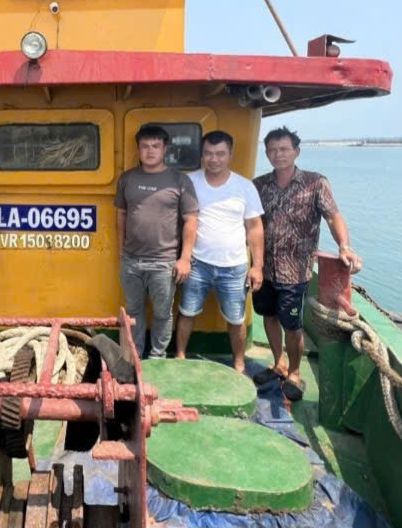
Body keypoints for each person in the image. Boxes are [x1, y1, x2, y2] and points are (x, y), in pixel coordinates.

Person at [252, 126, 362, 401]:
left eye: (284, 149)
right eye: (272, 150)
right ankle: (278, 363)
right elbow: (252, 224)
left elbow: (333, 216)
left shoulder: (316, 183)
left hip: (295, 271)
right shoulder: (259, 185)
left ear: (296, 152)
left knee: (292, 325)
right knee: (268, 316)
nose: (278, 154)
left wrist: (344, 246)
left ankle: (294, 372)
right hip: (265, 268)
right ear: (266, 154)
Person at [175, 131, 264, 371]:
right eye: (208, 153)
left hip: (234, 267)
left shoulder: (244, 186)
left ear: (230, 154)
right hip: (197, 263)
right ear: (202, 155)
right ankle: (180, 357)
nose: (214, 159)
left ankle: (239, 363)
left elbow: (255, 228)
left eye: (220, 154)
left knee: (236, 319)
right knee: (187, 312)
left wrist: (257, 266)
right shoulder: (190, 182)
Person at [115, 124, 199, 359]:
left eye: (155, 146)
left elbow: (191, 220)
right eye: (145, 146)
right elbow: (121, 214)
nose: (150, 151)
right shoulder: (127, 178)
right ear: (138, 149)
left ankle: (157, 356)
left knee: (162, 313)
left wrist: (185, 259)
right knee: (133, 311)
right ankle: (135, 356)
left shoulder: (179, 180)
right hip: (131, 261)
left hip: (164, 262)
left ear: (165, 149)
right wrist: (121, 250)